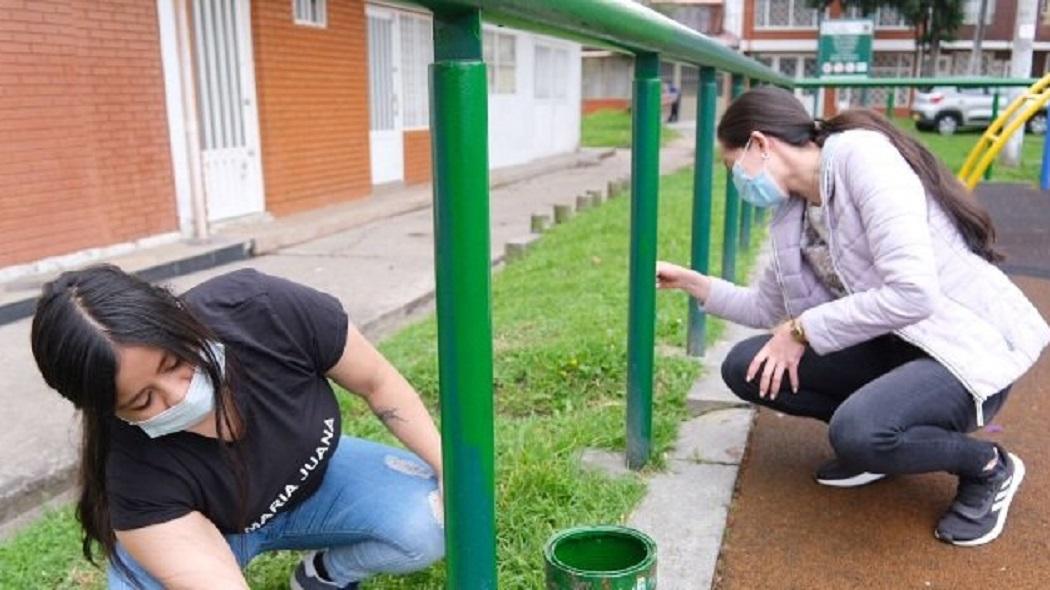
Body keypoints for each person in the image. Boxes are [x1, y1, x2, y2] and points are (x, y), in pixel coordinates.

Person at [656, 86, 1050, 546]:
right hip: (897, 346)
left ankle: (987, 467)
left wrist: (802, 330)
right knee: (746, 366)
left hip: (962, 352)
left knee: (859, 431)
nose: (736, 179)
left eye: (732, 166)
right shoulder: (793, 211)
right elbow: (767, 307)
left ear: (760, 144)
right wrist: (693, 283)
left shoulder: (864, 161)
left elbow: (913, 293)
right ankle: (881, 446)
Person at [30, 266, 445, 589]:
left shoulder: (262, 308)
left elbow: (378, 382)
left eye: (174, 362)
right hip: (216, 533)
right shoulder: (129, 470)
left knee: (430, 520)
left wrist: (449, 470)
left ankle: (323, 576)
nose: (178, 395)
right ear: (108, 411)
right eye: (143, 401)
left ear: (176, 319)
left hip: (317, 488)